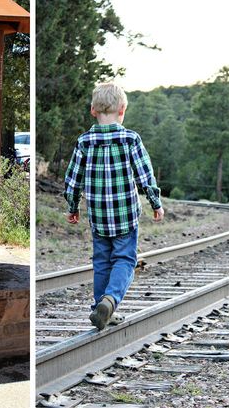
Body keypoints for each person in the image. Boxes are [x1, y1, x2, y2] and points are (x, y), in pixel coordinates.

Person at [63, 82, 164, 330]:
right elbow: (144, 175)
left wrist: (73, 207)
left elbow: (73, 180)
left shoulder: (84, 141)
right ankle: (110, 300)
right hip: (126, 215)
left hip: (98, 217)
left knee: (101, 262)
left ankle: (100, 305)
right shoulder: (130, 139)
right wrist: (155, 203)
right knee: (125, 260)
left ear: (92, 110)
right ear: (122, 109)